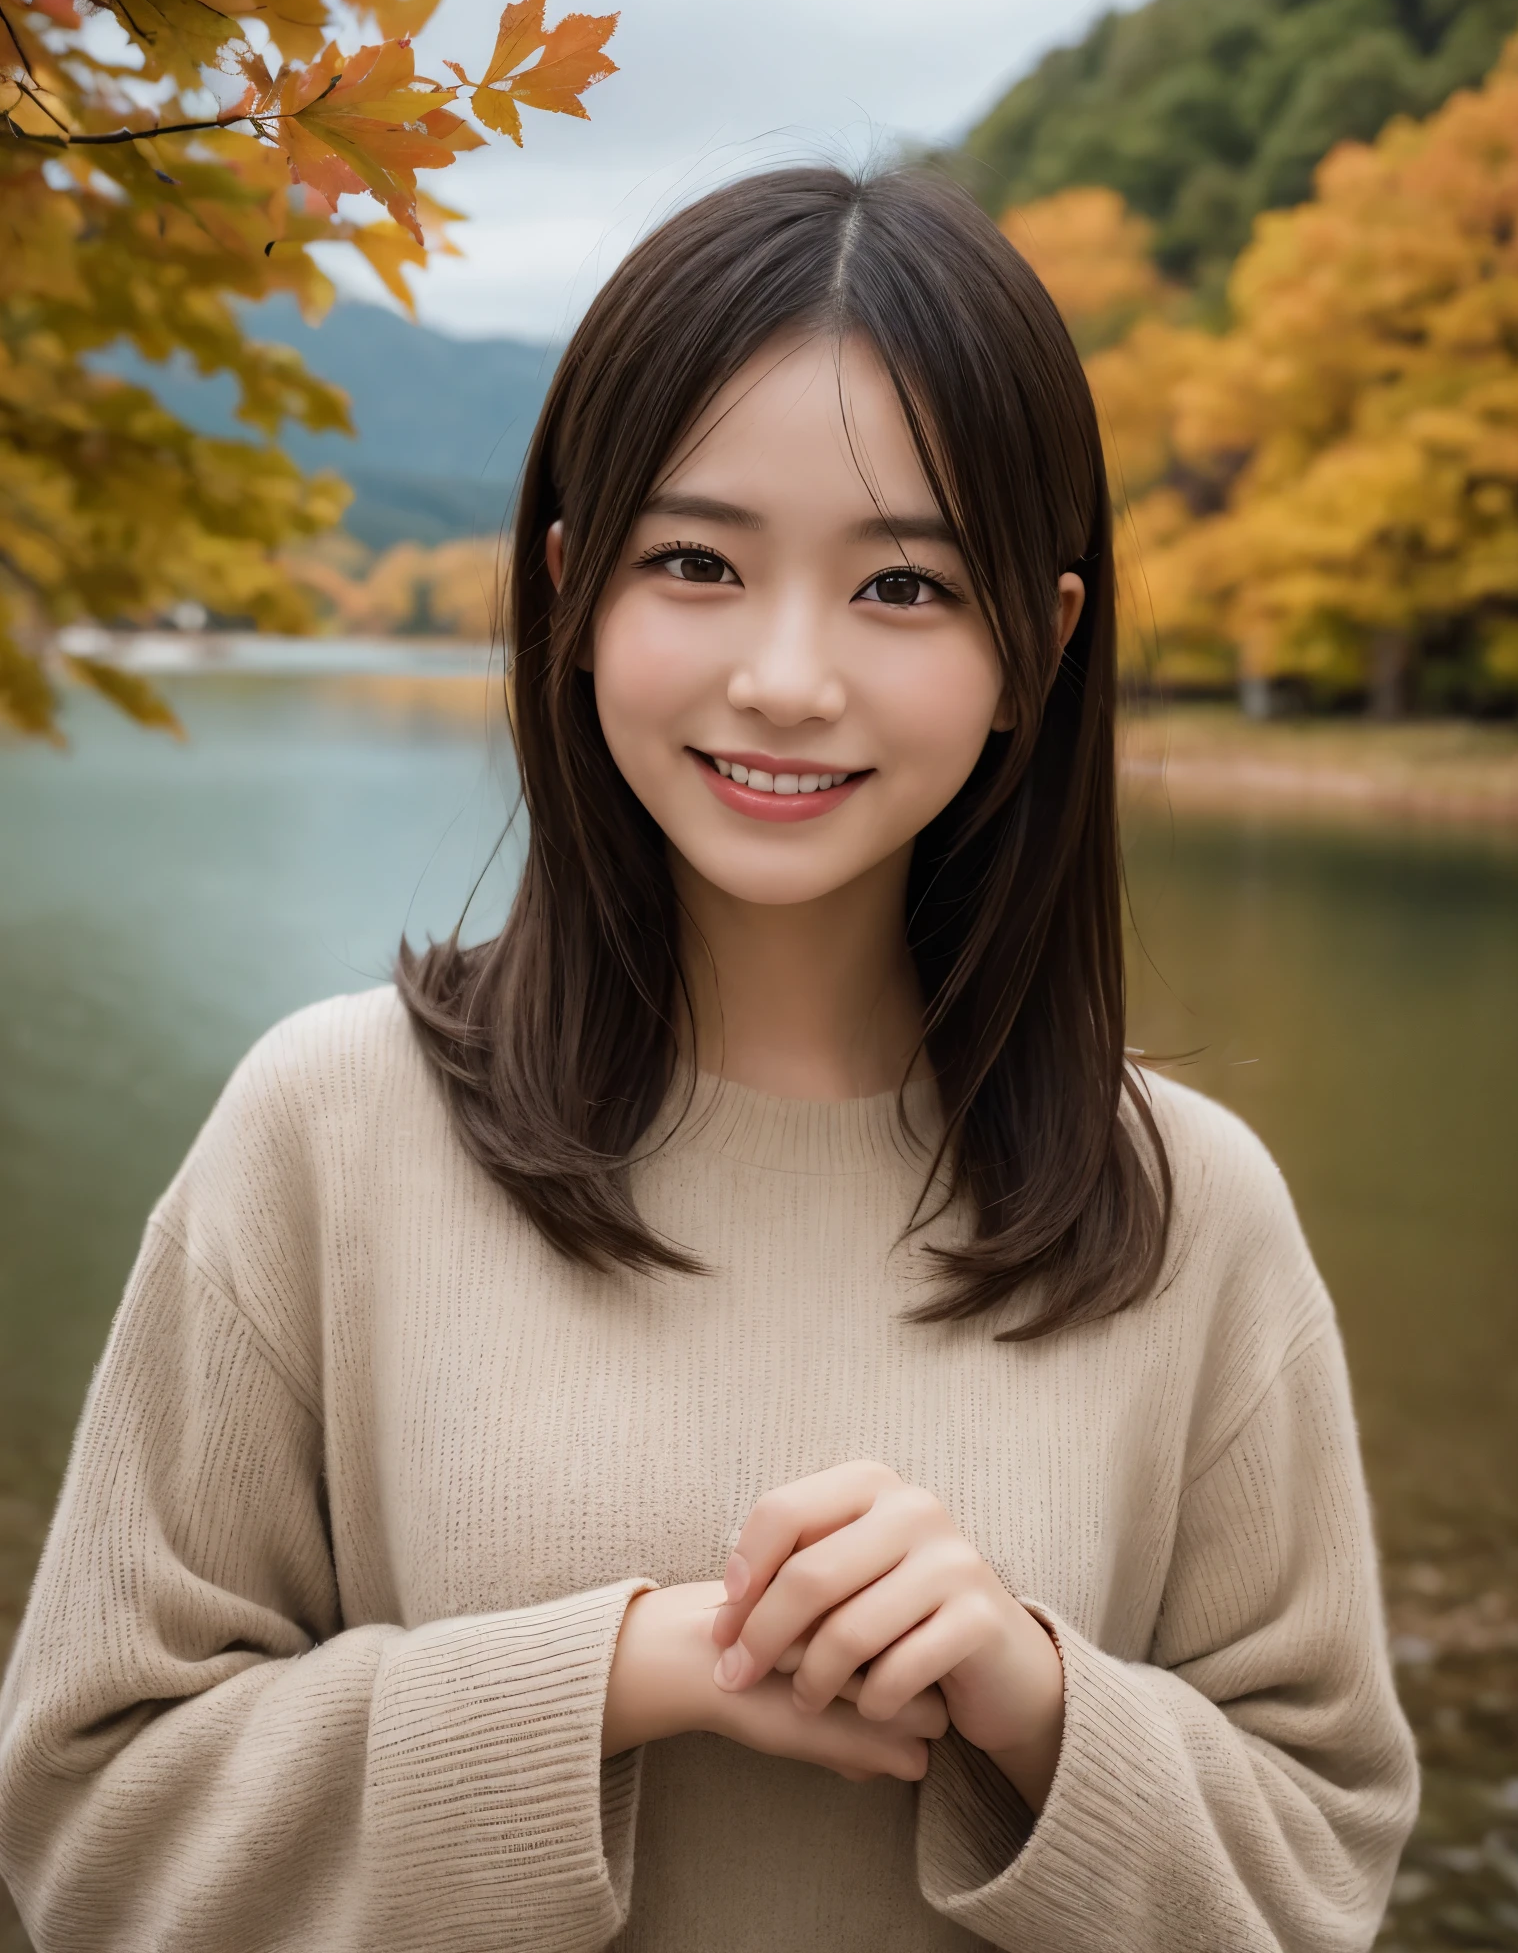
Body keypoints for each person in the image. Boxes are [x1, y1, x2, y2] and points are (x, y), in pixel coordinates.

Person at [0, 166, 1417, 1950]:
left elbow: (1324, 1866)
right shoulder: (331, 1130)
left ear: (1034, 650)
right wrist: (616, 1678)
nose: (786, 674)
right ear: (575, 590)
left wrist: (1034, 1698)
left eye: (903, 583)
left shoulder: (1187, 1209)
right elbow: (88, 1826)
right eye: (697, 563)